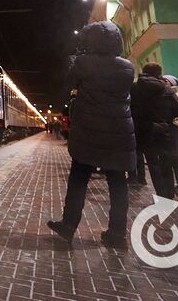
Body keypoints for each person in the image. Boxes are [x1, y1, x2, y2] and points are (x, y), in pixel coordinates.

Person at [48, 21, 135, 248]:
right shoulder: (127, 66)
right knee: (118, 182)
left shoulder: (84, 64)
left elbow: (66, 86)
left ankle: (68, 226)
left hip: (89, 130)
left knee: (78, 179)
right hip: (119, 131)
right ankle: (117, 233)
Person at [131, 63, 178, 199]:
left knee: (153, 163)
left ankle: (161, 194)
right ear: (159, 73)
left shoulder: (135, 88)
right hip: (165, 129)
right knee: (166, 162)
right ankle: (169, 194)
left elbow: (132, 109)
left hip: (145, 130)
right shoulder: (166, 89)